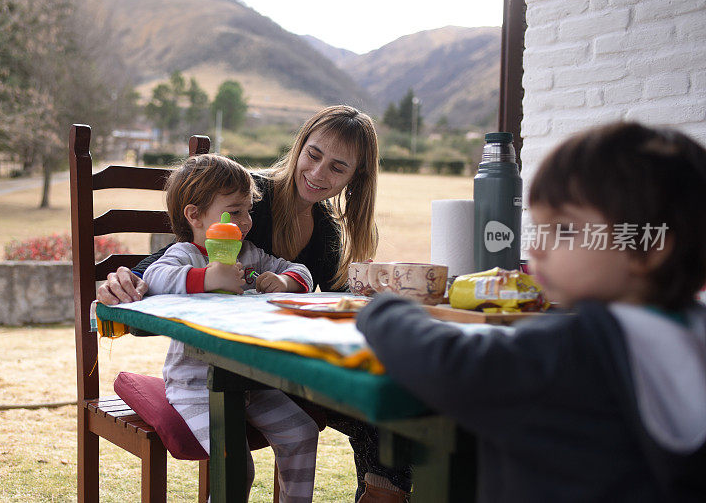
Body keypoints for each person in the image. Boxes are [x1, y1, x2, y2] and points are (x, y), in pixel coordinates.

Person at [356, 122, 706, 502]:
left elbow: (448, 365)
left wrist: (386, 309)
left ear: (651, 248)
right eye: (539, 229)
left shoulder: (577, 350)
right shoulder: (692, 332)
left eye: (565, 229)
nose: (537, 249)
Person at [97, 105, 412, 501]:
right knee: (378, 410)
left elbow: (323, 295)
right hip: (224, 371)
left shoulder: (329, 234)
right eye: (313, 155)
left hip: (286, 366)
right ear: (299, 148)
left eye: (337, 167)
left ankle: (384, 495)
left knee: (390, 405)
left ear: (355, 177)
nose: (317, 173)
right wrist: (129, 280)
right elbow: (177, 255)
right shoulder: (249, 196)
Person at [145, 153, 318, 502]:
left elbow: (302, 272)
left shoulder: (250, 255)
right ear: (194, 215)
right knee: (237, 463)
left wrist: (284, 282)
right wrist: (207, 277)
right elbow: (154, 277)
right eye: (235, 211)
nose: (248, 221)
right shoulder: (185, 255)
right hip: (195, 384)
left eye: (248, 210)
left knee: (302, 433)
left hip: (251, 381)